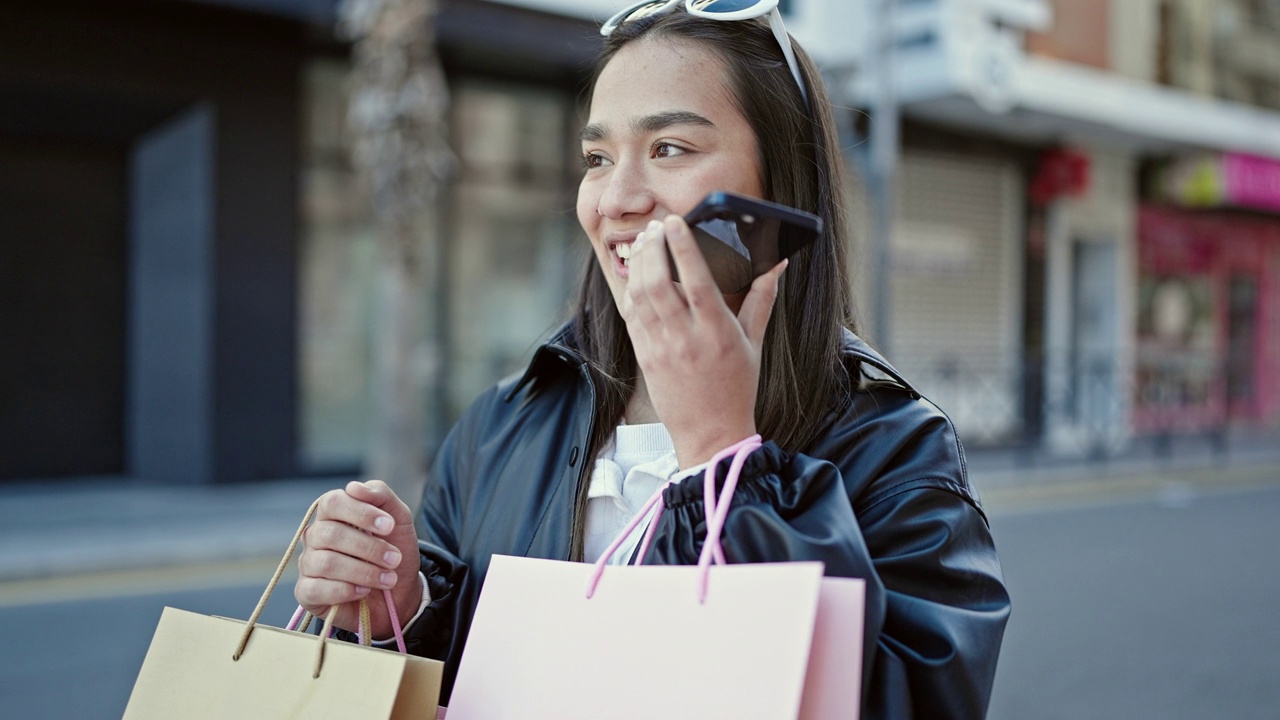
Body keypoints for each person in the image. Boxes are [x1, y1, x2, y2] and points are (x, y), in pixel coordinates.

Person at [294, 2, 1010, 717]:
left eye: (669, 148)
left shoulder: (897, 447)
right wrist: (404, 608)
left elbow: (907, 702)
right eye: (598, 159)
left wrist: (722, 456)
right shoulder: (504, 422)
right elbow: (461, 679)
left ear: (780, 182)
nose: (618, 199)